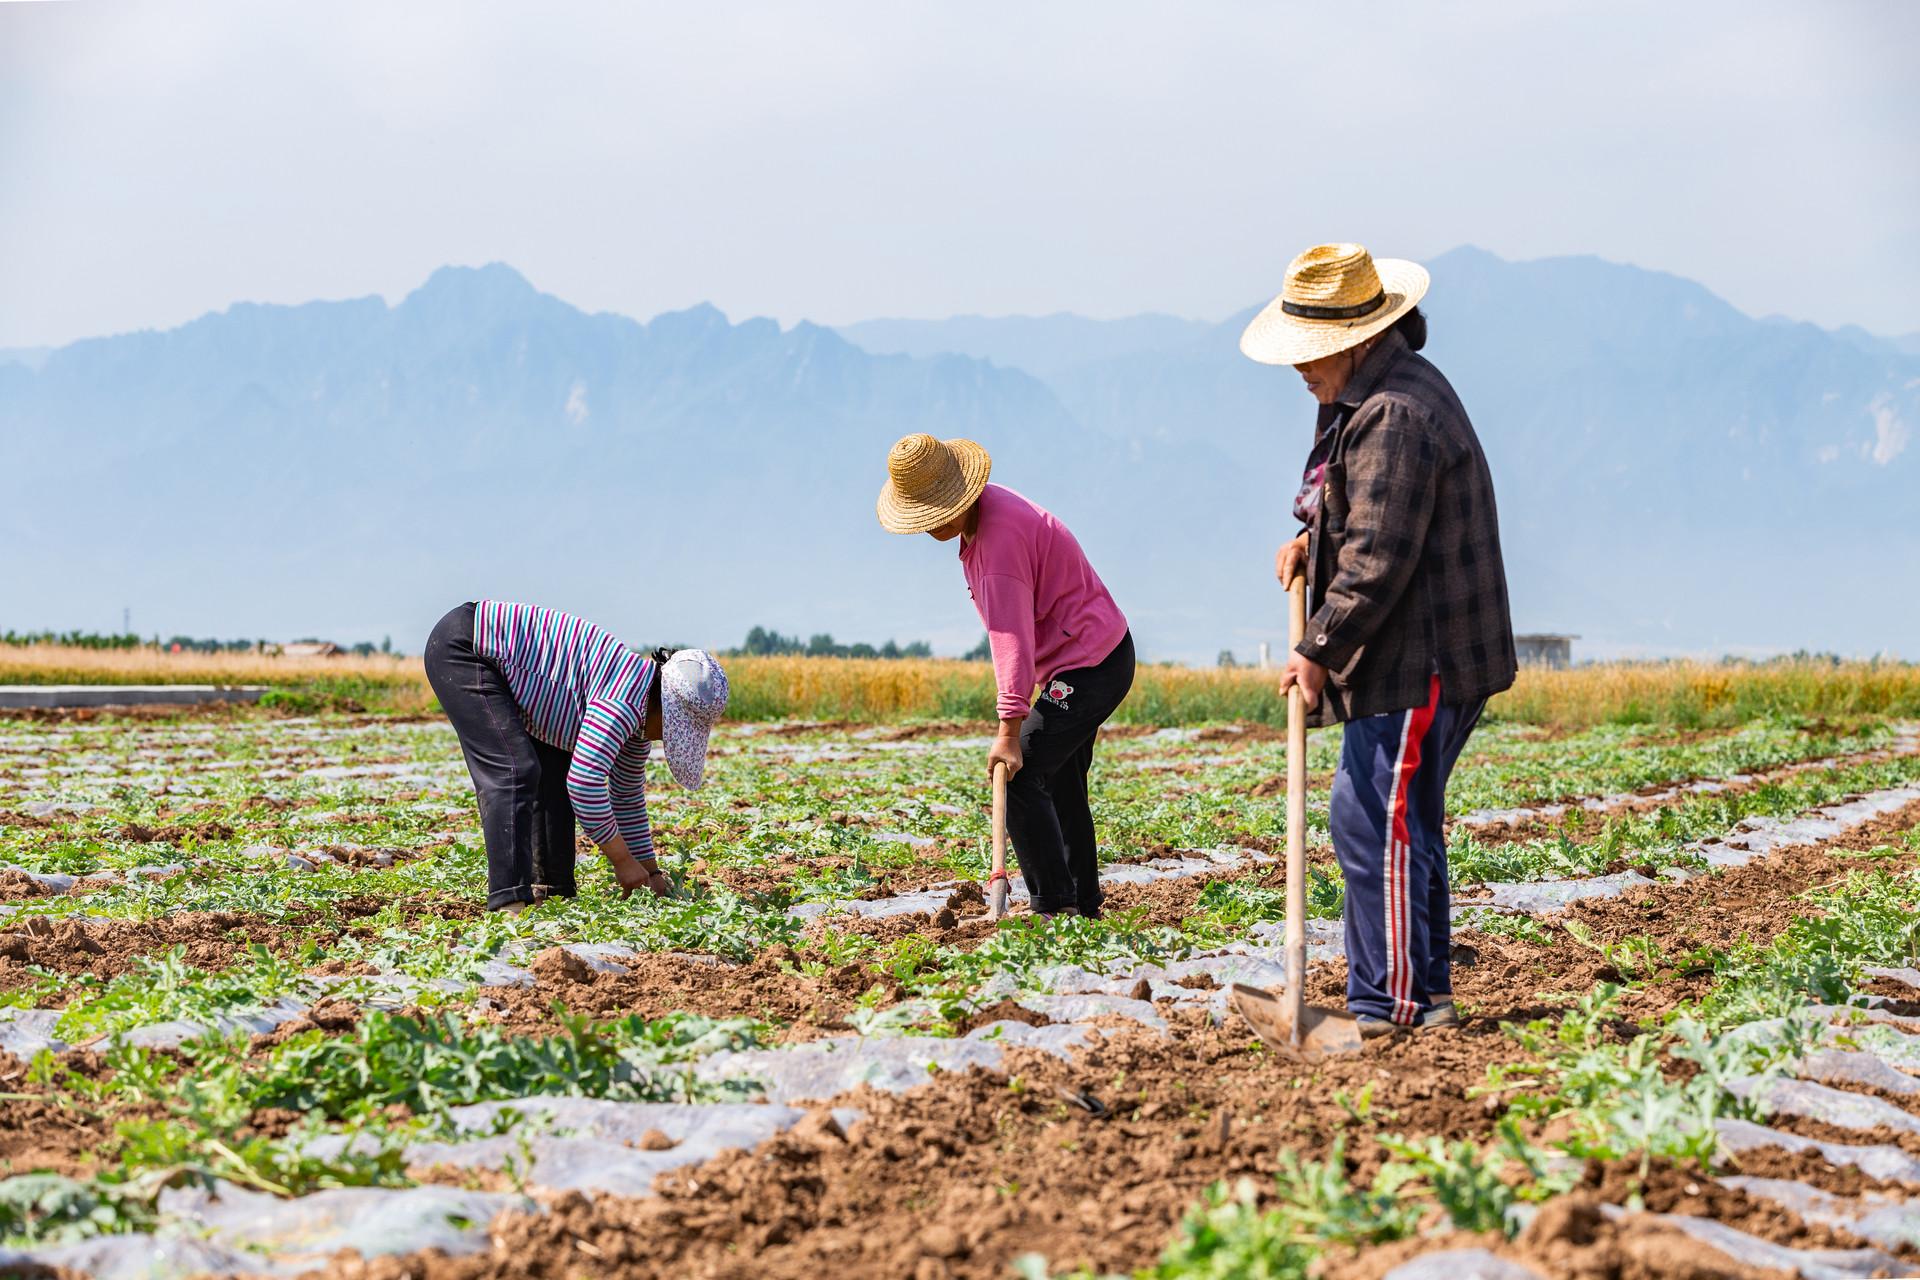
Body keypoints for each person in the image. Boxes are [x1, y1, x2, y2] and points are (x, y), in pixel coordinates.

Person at [1240, 244, 1516, 1036]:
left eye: (1309, 354)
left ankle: (1385, 1006)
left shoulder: (1395, 412)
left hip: (1422, 656)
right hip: (1409, 650)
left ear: (1355, 338)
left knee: (1370, 819)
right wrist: (1306, 536)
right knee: (1403, 820)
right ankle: (1424, 1000)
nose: (1299, 370)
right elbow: (1341, 500)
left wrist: (1317, 647)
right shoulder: (1359, 396)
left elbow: (1378, 559)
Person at [876, 434, 1134, 919]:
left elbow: (1010, 639)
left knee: (1018, 773)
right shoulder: (986, 514)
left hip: (1090, 663)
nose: (927, 527)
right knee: (1058, 781)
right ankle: (1082, 901)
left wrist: (1008, 732)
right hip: (1093, 655)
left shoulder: (998, 545)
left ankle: (1055, 908)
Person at [423, 600, 728, 913]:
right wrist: (623, 863)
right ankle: (509, 903)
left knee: (553, 771)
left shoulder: (639, 725)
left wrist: (650, 872)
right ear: (664, 705)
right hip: (468, 647)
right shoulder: (623, 700)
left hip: (517, 677)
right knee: (515, 771)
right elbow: (584, 784)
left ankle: (551, 894)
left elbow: (626, 797)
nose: (667, 737)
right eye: (673, 728)